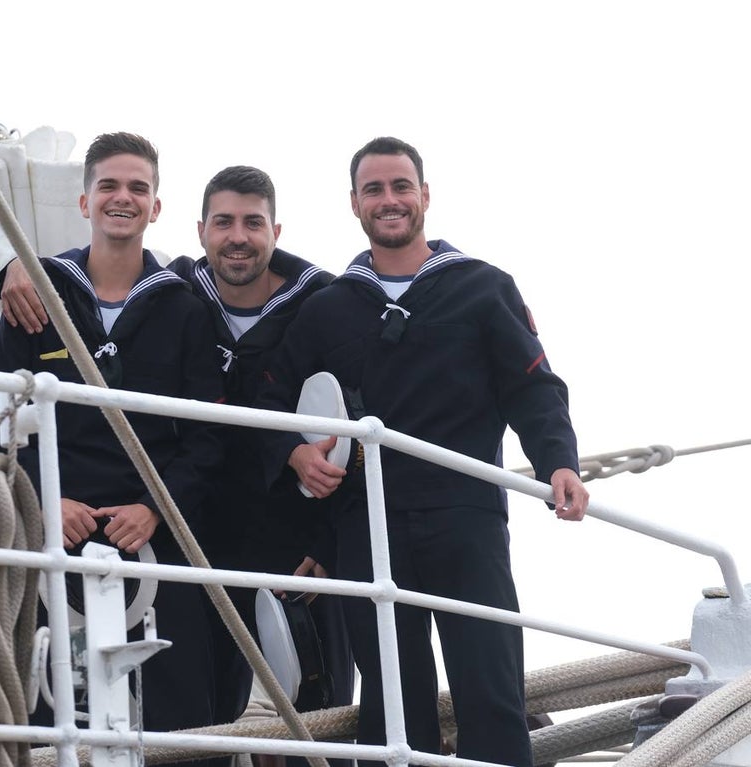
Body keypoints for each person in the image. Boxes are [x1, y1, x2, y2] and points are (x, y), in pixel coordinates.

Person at [0, 165, 355, 766]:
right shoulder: (184, 295)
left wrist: (326, 536)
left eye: (252, 223)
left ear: (276, 231)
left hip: (291, 542)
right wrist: (12, 268)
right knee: (203, 705)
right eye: (223, 223)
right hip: (197, 537)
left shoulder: (320, 306)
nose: (237, 236)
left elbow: (347, 423)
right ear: (197, 229)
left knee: (316, 706)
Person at [255, 137, 590, 767]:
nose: (389, 200)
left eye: (401, 187)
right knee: (390, 709)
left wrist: (559, 461)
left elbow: (533, 386)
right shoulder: (328, 309)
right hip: (367, 527)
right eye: (374, 189)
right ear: (354, 203)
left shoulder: (484, 288)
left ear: (425, 196)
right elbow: (268, 400)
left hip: (467, 519)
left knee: (490, 689)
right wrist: (294, 455)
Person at [0, 132, 225, 759]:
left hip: (156, 538)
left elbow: (206, 436)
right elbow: (1, 422)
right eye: (110, 186)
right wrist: (45, 502)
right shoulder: (36, 293)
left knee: (180, 719)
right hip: (53, 535)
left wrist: (155, 509)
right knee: (43, 708)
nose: (124, 198)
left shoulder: (187, 308)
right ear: (84, 200)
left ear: (156, 206)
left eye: (138, 188)